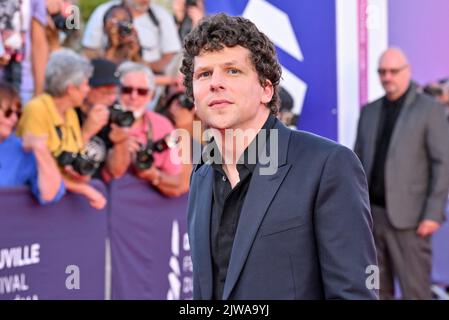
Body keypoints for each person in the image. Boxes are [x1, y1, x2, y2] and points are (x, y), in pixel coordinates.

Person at [181, 13, 378, 300]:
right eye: (204, 74)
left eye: (232, 70)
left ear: (266, 88)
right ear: (194, 93)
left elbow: (354, 293)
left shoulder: (326, 165)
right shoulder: (201, 174)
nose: (216, 83)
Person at [354, 48, 449, 299]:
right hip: (373, 220)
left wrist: (433, 213)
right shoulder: (369, 111)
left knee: (415, 292)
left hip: (412, 221)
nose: (387, 77)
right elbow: (357, 163)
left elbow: (443, 163)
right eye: (382, 72)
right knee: (375, 291)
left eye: (393, 71)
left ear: (407, 71)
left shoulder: (430, 110)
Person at [17, 49, 107, 210]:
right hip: (30, 203)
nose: (88, 90)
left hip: (58, 202)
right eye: (85, 84)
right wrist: (83, 190)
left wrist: (87, 133)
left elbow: (70, 165)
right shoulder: (37, 109)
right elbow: (40, 170)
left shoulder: (70, 112)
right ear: (71, 88)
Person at [116, 61, 182, 196]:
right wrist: (120, 146)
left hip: (146, 205)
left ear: (151, 95)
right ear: (117, 91)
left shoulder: (162, 125)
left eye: (142, 91)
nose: (133, 96)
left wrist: (152, 174)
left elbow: (176, 183)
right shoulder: (101, 118)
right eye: (127, 90)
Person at [0, 81, 64, 204]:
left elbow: (50, 194)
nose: (14, 119)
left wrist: (40, 148)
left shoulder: (20, 149)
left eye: (18, 114)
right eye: (8, 112)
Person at [76, 58, 131, 180]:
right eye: (106, 92)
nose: (112, 98)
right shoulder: (71, 112)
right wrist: (86, 132)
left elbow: (117, 172)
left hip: (98, 187)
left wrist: (121, 142)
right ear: (87, 88)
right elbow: (60, 163)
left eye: (115, 92)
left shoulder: (112, 115)